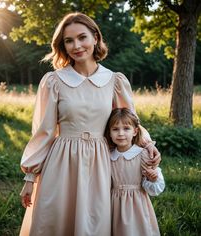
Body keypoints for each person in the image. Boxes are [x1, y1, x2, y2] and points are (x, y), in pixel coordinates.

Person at [19, 12, 161, 236]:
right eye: (69, 40)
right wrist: (30, 177)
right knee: (56, 221)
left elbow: (129, 121)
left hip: (101, 161)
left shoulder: (114, 81)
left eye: (82, 37)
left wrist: (147, 143)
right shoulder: (54, 81)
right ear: (63, 46)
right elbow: (43, 132)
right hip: (62, 162)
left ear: (96, 38)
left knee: (94, 223)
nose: (76, 45)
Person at [104, 108, 165, 236]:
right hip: (114, 203)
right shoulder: (108, 156)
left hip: (137, 204)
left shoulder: (142, 155)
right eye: (115, 129)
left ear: (135, 131)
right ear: (109, 133)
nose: (121, 133)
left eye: (126, 128)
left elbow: (154, 187)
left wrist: (153, 179)